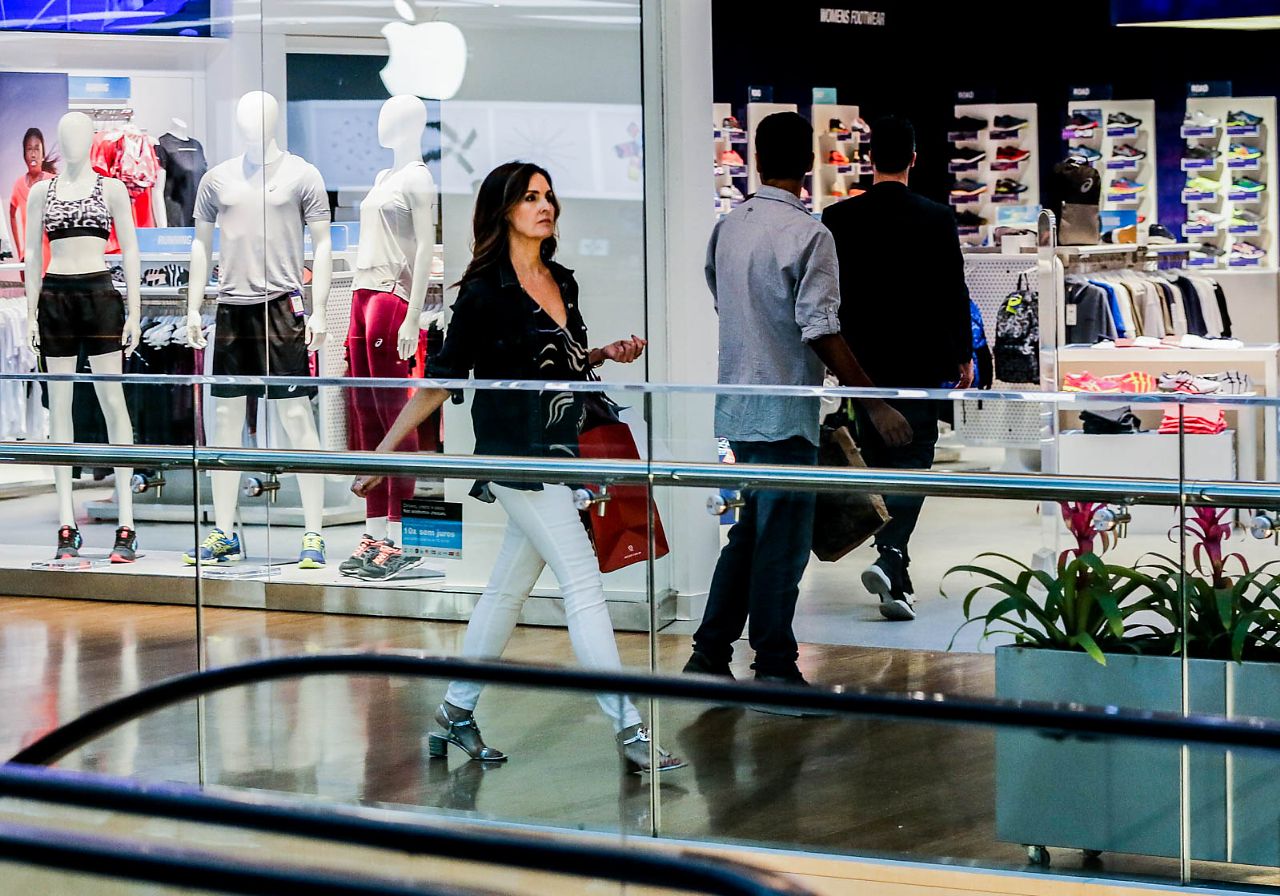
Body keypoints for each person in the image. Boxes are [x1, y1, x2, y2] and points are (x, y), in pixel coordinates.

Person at [352, 161, 683, 774]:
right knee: (582, 581)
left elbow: (564, 363)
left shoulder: (562, 280)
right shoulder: (484, 293)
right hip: (517, 458)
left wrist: (603, 354)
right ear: (505, 210)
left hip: (567, 451)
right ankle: (630, 729)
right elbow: (440, 382)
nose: (544, 206)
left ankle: (455, 711)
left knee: (507, 588)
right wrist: (384, 450)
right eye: (531, 197)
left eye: (549, 196)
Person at [683, 112, 910, 690]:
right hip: (786, 409)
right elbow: (820, 328)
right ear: (807, 165)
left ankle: (709, 653)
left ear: (756, 160)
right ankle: (775, 666)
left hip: (737, 403)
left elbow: (720, 297)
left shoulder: (729, 227)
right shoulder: (811, 235)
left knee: (752, 529)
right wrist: (874, 401)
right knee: (781, 540)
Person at [822, 115, 973, 622]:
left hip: (861, 364)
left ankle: (896, 571)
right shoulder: (935, 217)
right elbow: (953, 290)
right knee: (915, 458)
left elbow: (831, 295)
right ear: (913, 158)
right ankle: (891, 555)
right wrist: (964, 355)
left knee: (875, 458)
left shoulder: (838, 218)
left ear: (869, 159)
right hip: (920, 360)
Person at [10, 127, 56, 262]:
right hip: (30, 260)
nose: (33, 154)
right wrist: (20, 251)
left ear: (42, 154)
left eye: (36, 148)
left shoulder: (53, 181)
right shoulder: (19, 185)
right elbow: (11, 215)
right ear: (24, 155)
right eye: (29, 149)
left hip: (53, 260)